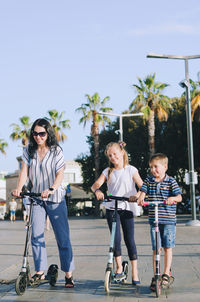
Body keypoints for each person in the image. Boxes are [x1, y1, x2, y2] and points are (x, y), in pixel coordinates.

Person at [12, 118, 75, 288]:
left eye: (42, 133)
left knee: (62, 237)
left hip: (54, 197)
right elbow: (24, 171)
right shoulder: (28, 150)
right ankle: (40, 271)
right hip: (36, 198)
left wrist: (52, 188)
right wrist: (19, 188)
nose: (38, 137)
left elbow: (60, 174)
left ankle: (68, 274)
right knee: (36, 235)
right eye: (35, 133)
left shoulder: (56, 151)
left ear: (48, 134)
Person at [91, 141, 143, 285]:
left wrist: (138, 195)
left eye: (115, 154)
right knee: (116, 239)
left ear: (122, 153)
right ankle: (119, 267)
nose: (113, 157)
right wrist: (98, 191)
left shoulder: (131, 170)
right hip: (112, 207)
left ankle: (135, 272)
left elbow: (142, 186)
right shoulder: (107, 171)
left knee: (129, 240)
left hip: (127, 207)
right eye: (110, 155)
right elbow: (94, 185)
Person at [136, 153, 182, 291]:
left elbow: (179, 196)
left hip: (168, 220)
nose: (153, 170)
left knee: (167, 247)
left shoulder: (171, 181)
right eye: (151, 167)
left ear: (165, 167)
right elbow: (142, 191)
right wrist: (140, 198)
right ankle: (156, 274)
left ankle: (166, 272)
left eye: (156, 167)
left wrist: (172, 198)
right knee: (156, 248)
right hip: (154, 220)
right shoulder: (149, 181)